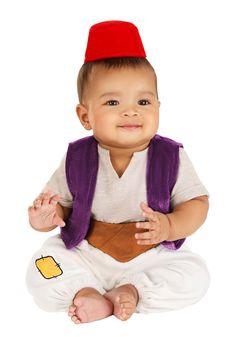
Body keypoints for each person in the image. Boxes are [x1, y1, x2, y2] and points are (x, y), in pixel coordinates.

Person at [26, 20, 210, 324]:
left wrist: (170, 226)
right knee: (42, 265)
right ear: (85, 116)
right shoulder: (77, 156)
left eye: (143, 101)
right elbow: (60, 204)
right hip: (86, 249)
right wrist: (45, 217)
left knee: (195, 275)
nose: (131, 110)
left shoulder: (170, 155)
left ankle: (131, 291)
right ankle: (85, 291)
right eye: (113, 101)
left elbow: (197, 204)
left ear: (158, 106)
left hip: (150, 253)